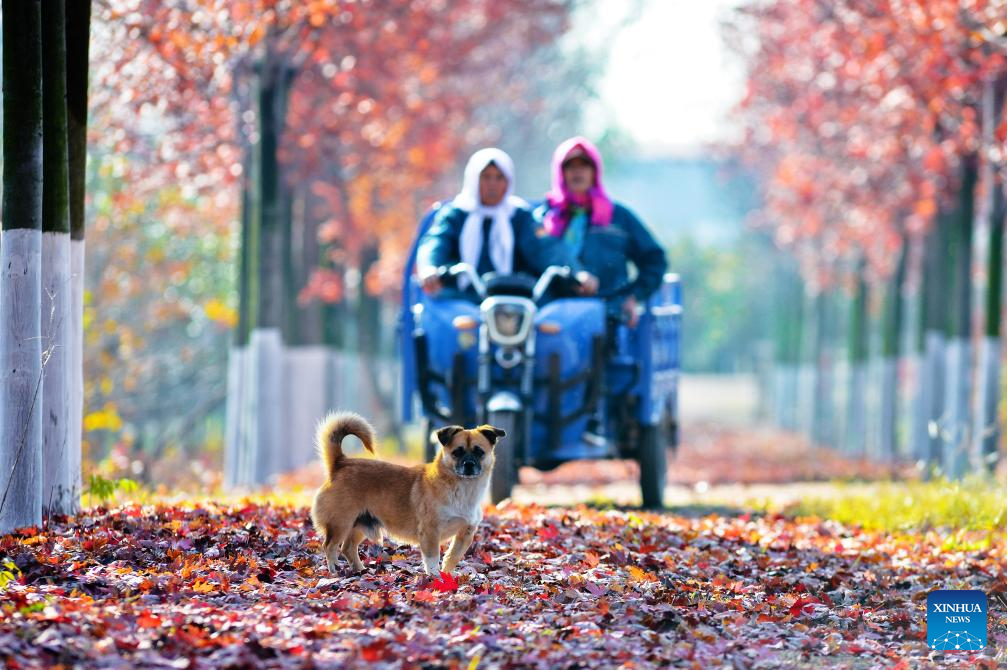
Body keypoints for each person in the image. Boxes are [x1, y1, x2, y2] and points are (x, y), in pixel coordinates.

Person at [416, 147, 598, 300]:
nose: (492, 184)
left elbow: (546, 248)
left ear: (508, 181)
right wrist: (430, 268)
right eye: (486, 177)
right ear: (474, 179)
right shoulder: (456, 215)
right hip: (463, 300)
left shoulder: (520, 216)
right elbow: (436, 242)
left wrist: (576, 272)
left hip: (514, 302)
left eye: (499, 177)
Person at [533, 137, 667, 326]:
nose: (577, 172)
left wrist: (634, 296)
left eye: (584, 165)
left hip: (607, 316)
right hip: (550, 317)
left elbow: (654, 259)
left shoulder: (618, 218)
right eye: (570, 166)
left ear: (594, 171)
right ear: (560, 172)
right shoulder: (543, 218)